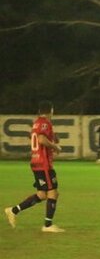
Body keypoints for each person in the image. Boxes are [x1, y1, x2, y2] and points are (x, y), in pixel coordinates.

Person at [4, 100, 65, 233]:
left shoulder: (37, 123)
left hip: (36, 162)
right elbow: (42, 140)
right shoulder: (45, 123)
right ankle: (47, 226)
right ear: (51, 111)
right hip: (44, 164)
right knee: (53, 193)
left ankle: (13, 210)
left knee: (42, 194)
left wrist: (53, 139)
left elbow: (40, 138)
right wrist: (56, 147)